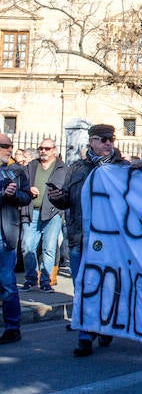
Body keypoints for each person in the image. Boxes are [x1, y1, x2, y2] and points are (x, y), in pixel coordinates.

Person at [47, 124, 129, 357]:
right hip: (79, 239)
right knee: (82, 287)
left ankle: (104, 325)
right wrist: (57, 198)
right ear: (91, 141)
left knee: (108, 286)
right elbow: (67, 201)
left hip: (111, 242)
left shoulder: (122, 168)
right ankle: (85, 335)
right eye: (102, 139)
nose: (107, 143)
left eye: (110, 139)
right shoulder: (77, 168)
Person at [21, 139, 67, 292]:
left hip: (53, 213)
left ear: (54, 150)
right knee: (27, 245)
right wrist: (29, 188)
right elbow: (23, 184)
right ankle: (30, 279)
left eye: (47, 148)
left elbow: (66, 190)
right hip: (32, 210)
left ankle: (46, 281)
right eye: (41, 148)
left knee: (48, 248)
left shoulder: (62, 167)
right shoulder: (32, 165)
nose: (43, 151)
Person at [0, 133, 31, 344]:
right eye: (4, 146)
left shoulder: (16, 172)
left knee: (7, 283)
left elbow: (26, 195)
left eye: (10, 146)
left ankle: (12, 327)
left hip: (6, 235)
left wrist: (13, 194)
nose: (9, 150)